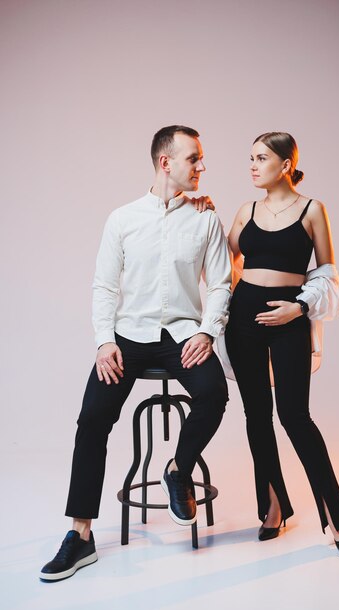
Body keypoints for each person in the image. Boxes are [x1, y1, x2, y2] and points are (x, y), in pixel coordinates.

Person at [40, 125, 232, 581]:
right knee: (92, 420)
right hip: (128, 336)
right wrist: (105, 340)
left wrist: (207, 332)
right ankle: (81, 535)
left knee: (214, 394)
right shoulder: (122, 219)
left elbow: (221, 283)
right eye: (194, 158)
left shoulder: (206, 218)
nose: (202, 166)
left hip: (182, 335)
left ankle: (177, 469)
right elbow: (105, 285)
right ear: (166, 163)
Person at [224, 131, 339, 556]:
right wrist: (201, 213)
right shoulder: (245, 210)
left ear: (285, 164)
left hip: (288, 319)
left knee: (295, 417)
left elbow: (328, 273)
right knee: (256, 415)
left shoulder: (312, 209)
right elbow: (223, 261)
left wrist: (297, 308)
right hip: (243, 318)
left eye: (261, 158)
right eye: (250, 157)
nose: (252, 165)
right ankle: (274, 508)